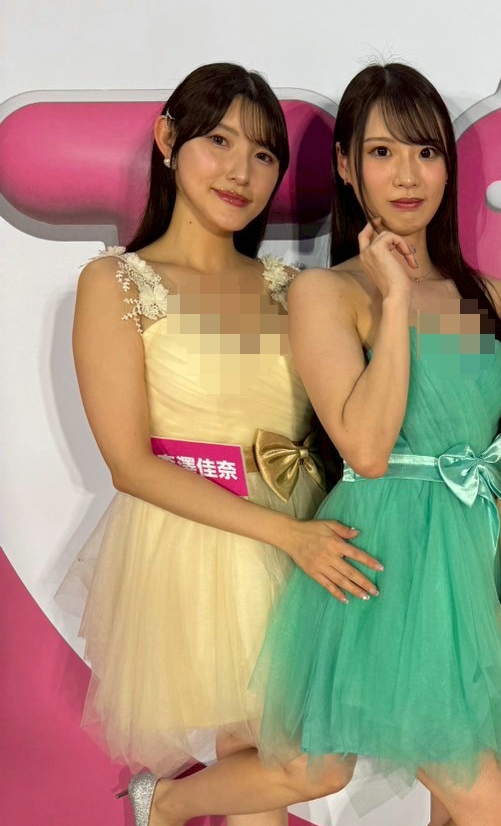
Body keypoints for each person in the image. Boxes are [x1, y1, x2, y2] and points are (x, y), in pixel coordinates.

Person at [67, 63, 371, 826]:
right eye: (220, 141)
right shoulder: (117, 281)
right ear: (168, 138)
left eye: (264, 154)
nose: (241, 171)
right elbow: (129, 464)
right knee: (308, 760)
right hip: (201, 546)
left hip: (303, 542)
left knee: (263, 761)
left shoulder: (288, 286)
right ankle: (164, 801)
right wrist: (287, 536)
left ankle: (162, 804)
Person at [253, 63, 501, 826]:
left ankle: (164, 801)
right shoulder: (327, 292)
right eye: (382, 152)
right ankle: (165, 801)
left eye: (426, 151)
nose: (408, 175)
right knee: (497, 809)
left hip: (473, 561)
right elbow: (368, 449)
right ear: (346, 165)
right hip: (390, 564)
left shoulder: (490, 293)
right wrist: (397, 298)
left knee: (456, 807)